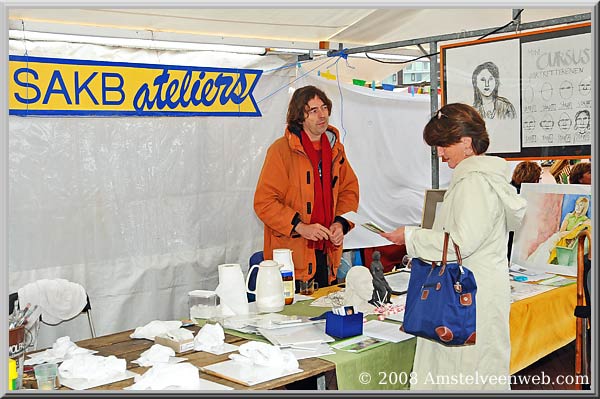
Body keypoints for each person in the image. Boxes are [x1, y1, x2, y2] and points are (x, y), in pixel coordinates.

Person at [380, 103, 527, 390]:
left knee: (463, 375)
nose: (439, 152)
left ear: (466, 143)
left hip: (466, 299)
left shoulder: (474, 183)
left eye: (442, 144)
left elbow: (461, 243)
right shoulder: (481, 179)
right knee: (477, 371)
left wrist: (410, 237)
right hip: (475, 292)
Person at [254, 85, 359, 290]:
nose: (322, 115)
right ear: (299, 117)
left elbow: (349, 190)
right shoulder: (280, 151)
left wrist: (340, 223)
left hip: (327, 254)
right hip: (292, 259)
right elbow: (264, 202)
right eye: (313, 110)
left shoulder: (336, 149)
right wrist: (300, 227)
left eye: (324, 108)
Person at [507, 161, 542, 260]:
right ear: (533, 179)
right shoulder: (528, 196)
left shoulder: (507, 190)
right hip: (517, 242)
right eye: (538, 178)